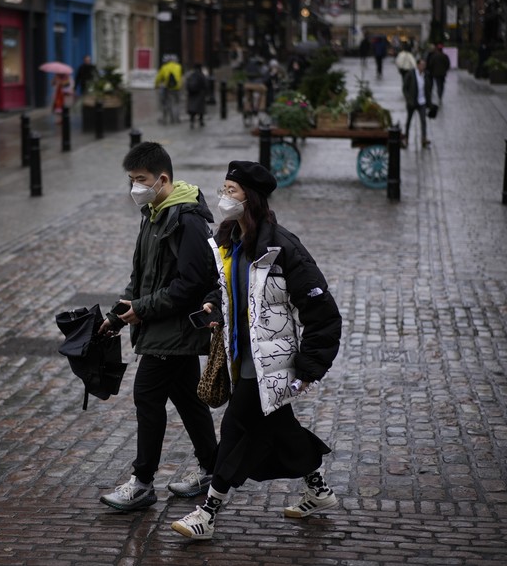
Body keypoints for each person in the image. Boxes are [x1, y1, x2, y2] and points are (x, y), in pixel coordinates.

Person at [171, 161, 342, 540]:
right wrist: (214, 303)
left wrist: (310, 366)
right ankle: (319, 489)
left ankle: (208, 513)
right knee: (281, 428)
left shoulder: (282, 247)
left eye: (231, 190)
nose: (223, 197)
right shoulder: (228, 242)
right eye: (224, 188)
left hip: (270, 363)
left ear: (252, 197)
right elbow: (227, 286)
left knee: (235, 427)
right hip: (239, 357)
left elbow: (323, 313)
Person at [98, 141, 220, 511]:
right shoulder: (154, 212)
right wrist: (118, 314)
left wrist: (142, 309)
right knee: (187, 398)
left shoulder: (186, 220)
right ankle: (212, 468)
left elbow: (191, 285)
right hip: (161, 328)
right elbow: (143, 274)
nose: (135, 187)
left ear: (162, 178)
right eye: (131, 180)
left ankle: (143, 482)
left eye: (141, 179)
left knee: (147, 397)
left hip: (174, 331)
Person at [402, 58, 433, 149]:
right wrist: (408, 99)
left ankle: (423, 138)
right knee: (409, 121)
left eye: (424, 65)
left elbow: (429, 88)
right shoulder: (411, 74)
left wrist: (429, 102)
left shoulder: (426, 75)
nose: (423, 66)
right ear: (417, 65)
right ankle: (406, 137)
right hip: (412, 102)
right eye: (422, 64)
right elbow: (405, 88)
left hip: (422, 101)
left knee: (423, 120)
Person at [155, 55, 183, 124]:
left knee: (168, 102)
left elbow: (158, 78)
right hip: (177, 88)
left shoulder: (164, 67)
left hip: (168, 88)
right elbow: (180, 77)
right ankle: (177, 118)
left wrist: (156, 85)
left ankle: (170, 118)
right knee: (177, 103)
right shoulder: (179, 67)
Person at [185, 63, 208, 129]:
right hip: (200, 93)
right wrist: (206, 92)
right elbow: (205, 84)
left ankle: (192, 121)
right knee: (200, 108)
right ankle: (201, 121)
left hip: (192, 94)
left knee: (192, 108)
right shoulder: (201, 75)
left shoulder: (191, 75)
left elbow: (187, 84)